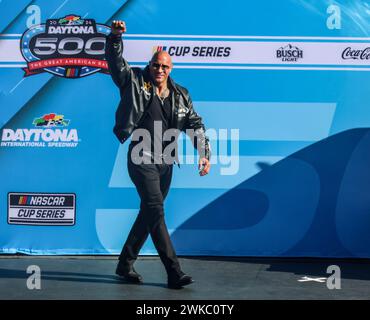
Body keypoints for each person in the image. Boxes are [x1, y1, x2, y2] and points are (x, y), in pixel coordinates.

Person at [105, 20, 211, 289]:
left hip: (166, 163)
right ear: (149, 66)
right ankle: (174, 272)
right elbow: (116, 65)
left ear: (170, 68)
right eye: (155, 65)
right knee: (156, 211)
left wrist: (204, 153)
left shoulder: (181, 95)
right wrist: (115, 38)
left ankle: (124, 263)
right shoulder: (135, 82)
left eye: (164, 66)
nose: (159, 69)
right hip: (141, 158)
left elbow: (195, 124)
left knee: (148, 214)